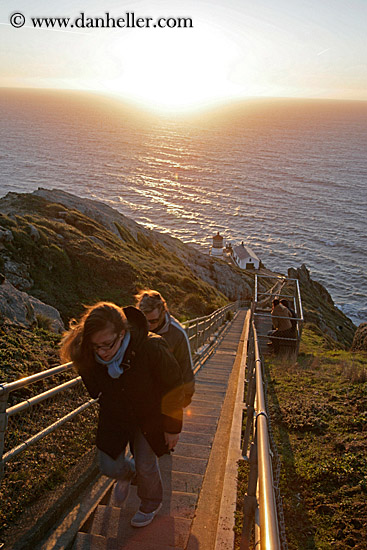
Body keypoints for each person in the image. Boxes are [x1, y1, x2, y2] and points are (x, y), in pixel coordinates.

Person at [60, 302, 184, 527]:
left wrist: (173, 427)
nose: (102, 352)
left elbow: (174, 385)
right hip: (116, 415)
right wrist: (102, 393)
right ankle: (128, 475)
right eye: (96, 346)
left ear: (123, 333)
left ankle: (150, 502)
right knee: (108, 466)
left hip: (149, 415)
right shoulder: (87, 353)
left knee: (146, 464)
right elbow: (92, 383)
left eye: (107, 344)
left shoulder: (151, 347)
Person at [135, 289, 195, 407]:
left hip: (167, 397)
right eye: (144, 320)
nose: (148, 326)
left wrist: (187, 395)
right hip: (141, 398)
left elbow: (185, 365)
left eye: (153, 321)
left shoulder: (177, 334)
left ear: (163, 312)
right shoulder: (135, 326)